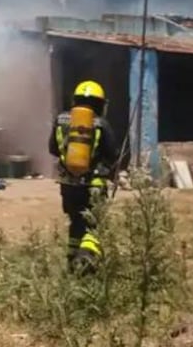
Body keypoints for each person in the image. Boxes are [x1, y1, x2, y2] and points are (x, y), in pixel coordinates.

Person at [48, 80, 125, 273]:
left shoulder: (61, 119)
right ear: (100, 103)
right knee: (94, 223)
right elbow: (112, 153)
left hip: (67, 185)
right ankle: (86, 260)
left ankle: (72, 262)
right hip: (93, 185)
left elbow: (52, 149)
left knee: (75, 221)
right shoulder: (101, 123)